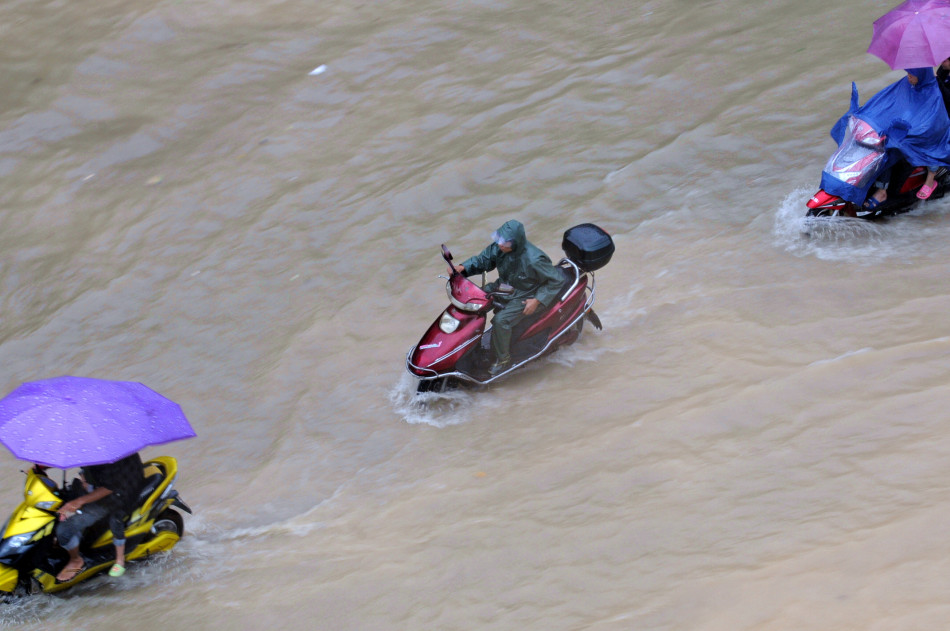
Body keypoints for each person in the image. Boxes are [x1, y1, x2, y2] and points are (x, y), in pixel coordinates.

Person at [824, 67, 950, 207]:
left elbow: (932, 124)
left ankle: (890, 189)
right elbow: (887, 102)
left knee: (889, 150)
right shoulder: (906, 85)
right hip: (904, 129)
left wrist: (907, 132)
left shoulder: (933, 94)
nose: (908, 77)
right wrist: (868, 114)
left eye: (912, 75)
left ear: (921, 76)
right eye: (908, 73)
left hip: (925, 136)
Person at [453, 220, 564, 376]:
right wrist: (463, 268)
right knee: (474, 299)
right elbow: (482, 260)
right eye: (499, 240)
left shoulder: (534, 259)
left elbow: (556, 280)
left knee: (501, 321)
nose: (500, 244)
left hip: (527, 294)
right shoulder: (499, 248)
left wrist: (537, 300)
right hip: (506, 286)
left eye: (505, 242)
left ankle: (503, 359)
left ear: (516, 242)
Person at [54, 452, 145, 582]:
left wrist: (79, 501)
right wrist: (40, 468)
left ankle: (114, 560)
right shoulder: (93, 447)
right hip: (105, 484)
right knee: (63, 509)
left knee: (64, 530)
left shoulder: (107, 454)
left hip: (121, 493)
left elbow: (110, 487)